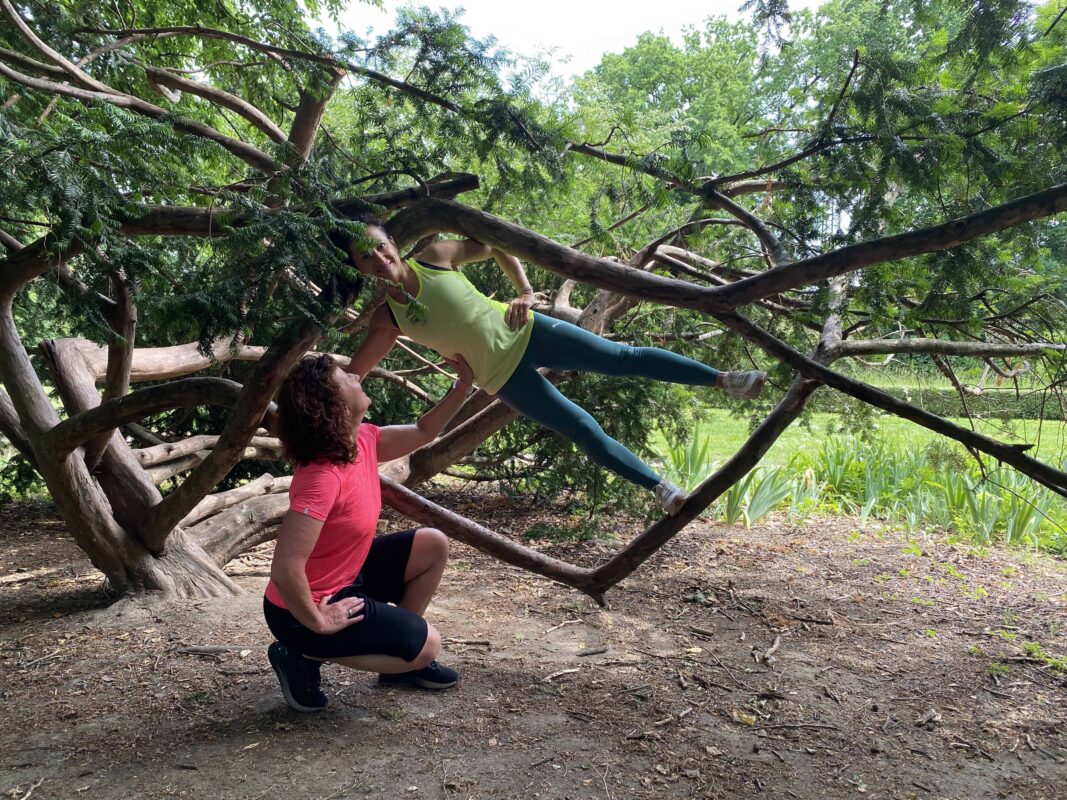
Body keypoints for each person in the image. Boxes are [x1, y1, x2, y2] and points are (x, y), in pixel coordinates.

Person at [340, 213, 767, 516]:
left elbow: (495, 244)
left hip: (530, 331)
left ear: (392, 243)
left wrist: (525, 291)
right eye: (365, 257)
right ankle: (662, 489)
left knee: (623, 358)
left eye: (380, 246)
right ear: (359, 268)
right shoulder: (388, 318)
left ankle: (724, 380)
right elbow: (352, 376)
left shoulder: (435, 255)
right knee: (582, 429)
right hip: (503, 378)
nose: (378, 258)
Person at [263, 352, 473, 712]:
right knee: (427, 647)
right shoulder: (321, 478)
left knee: (432, 545)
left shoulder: (361, 441)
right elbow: (285, 569)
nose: (357, 377)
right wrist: (316, 621)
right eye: (346, 376)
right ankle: (300, 651)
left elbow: (425, 431)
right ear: (333, 407)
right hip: (304, 609)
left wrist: (462, 386)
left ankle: (397, 666)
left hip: (347, 576)